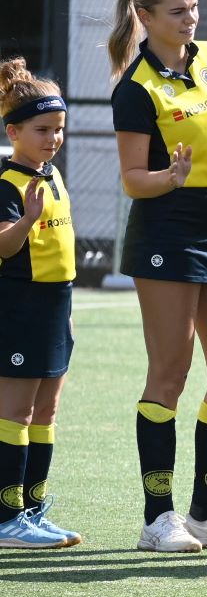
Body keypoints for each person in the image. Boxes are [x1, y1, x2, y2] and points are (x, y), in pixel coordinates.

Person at [110, 0, 207, 554]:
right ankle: (157, 519)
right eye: (177, 11)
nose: (190, 18)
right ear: (145, 16)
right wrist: (168, 178)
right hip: (165, 233)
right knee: (170, 373)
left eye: (193, 6)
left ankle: (206, 513)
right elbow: (132, 179)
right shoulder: (135, 88)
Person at [0, 59, 81, 548]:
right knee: (16, 412)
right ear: (13, 131)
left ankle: (32, 509)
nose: (53, 138)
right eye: (42, 130)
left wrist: (66, 312)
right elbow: (5, 246)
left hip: (55, 306)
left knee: (46, 412)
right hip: (20, 307)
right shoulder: (7, 184)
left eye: (59, 129)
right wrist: (27, 220)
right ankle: (6, 517)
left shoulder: (52, 176)